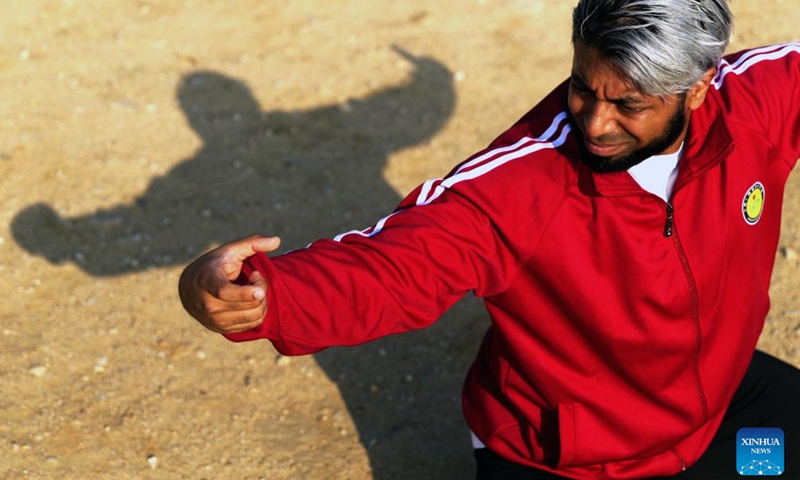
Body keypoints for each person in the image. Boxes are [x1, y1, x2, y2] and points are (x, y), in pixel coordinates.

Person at [179, 0, 800, 478]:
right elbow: (393, 267)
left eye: (628, 104)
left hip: (719, 410)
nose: (595, 121)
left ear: (696, 87)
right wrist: (266, 297)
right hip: (567, 457)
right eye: (584, 86)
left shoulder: (751, 106)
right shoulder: (517, 187)